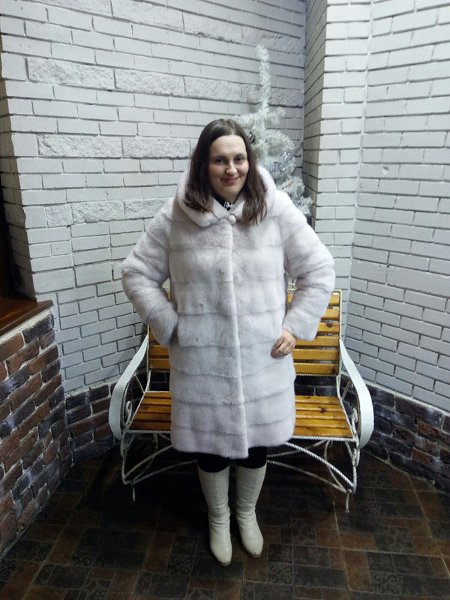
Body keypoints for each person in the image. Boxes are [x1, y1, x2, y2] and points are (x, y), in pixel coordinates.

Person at [121, 119, 335, 566]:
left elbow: (318, 269)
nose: (231, 168)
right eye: (220, 160)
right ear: (205, 164)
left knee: (257, 445)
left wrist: (294, 326)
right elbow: (136, 273)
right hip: (202, 363)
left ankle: (246, 513)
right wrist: (169, 324)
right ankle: (219, 519)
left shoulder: (273, 209)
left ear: (249, 161)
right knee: (209, 448)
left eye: (239, 159)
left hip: (263, 359)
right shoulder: (177, 215)